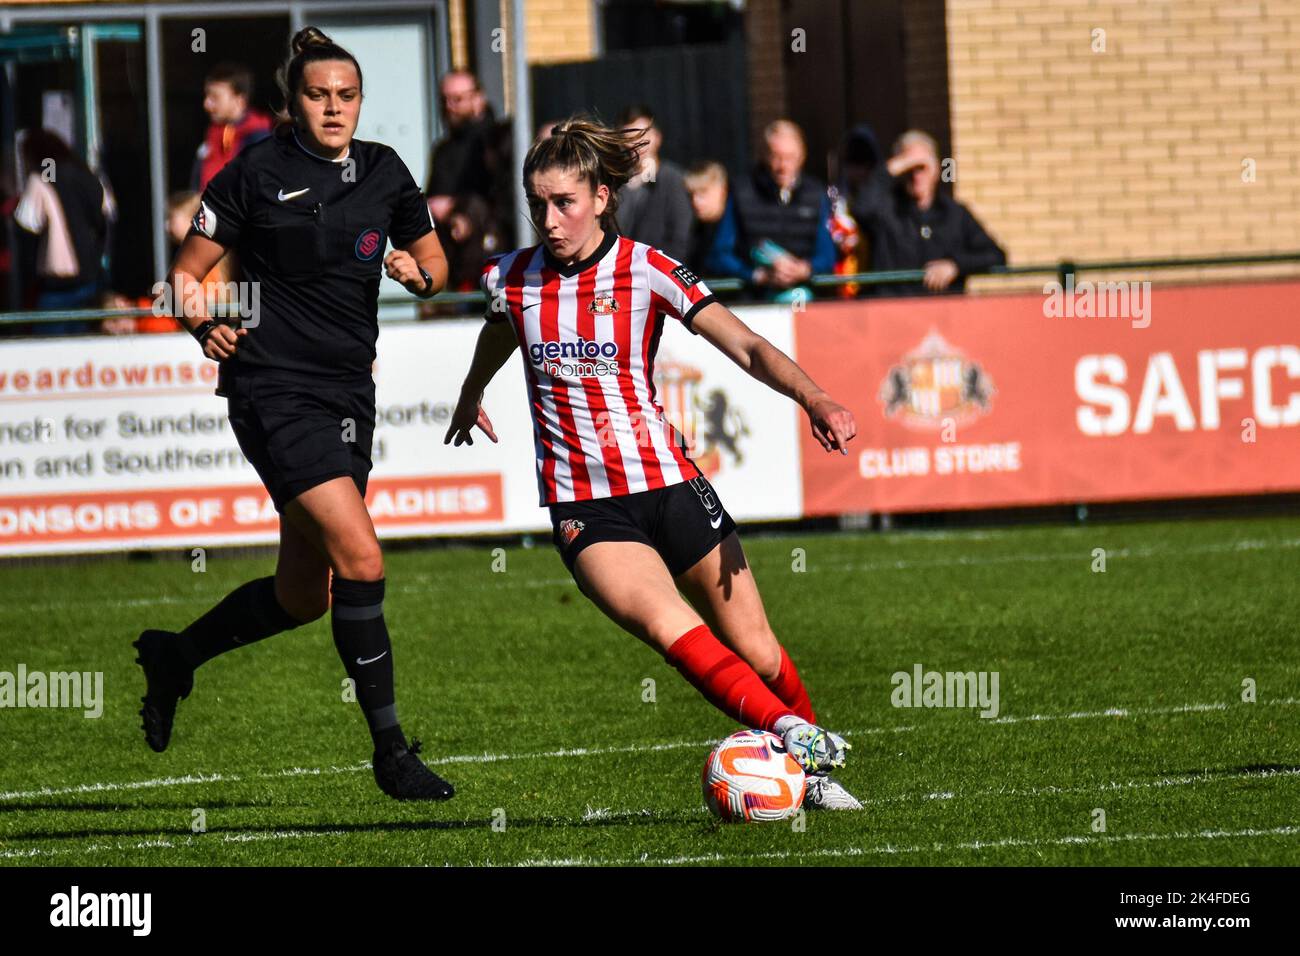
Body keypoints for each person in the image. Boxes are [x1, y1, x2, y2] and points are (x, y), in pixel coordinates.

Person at [444, 116, 863, 810]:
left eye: (565, 203)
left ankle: (810, 771)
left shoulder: (648, 268)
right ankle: (791, 731)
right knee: (673, 630)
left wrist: (812, 396)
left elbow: (748, 346)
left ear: (601, 197)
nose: (549, 220)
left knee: (758, 650)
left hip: (671, 485)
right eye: (538, 204)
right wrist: (470, 389)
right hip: (586, 508)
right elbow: (502, 332)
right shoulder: (508, 277)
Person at [135, 27, 455, 802]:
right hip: (271, 389)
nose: (335, 107)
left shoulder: (385, 170)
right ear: (291, 103)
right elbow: (179, 280)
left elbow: (438, 263)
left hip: (350, 394)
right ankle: (389, 753)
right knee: (363, 559)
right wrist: (201, 321)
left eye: (347, 95)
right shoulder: (252, 173)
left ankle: (176, 657)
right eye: (319, 95)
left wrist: (419, 275)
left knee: (303, 594)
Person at [850, 129, 1006, 297]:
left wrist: (955, 265)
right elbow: (861, 208)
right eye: (909, 168)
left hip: (944, 314)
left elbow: (995, 255)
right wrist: (894, 166)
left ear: (936, 169)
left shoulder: (954, 213)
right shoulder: (886, 209)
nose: (916, 176)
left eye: (922, 167)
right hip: (895, 313)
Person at [712, 119, 835, 301]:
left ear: (802, 157)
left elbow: (827, 254)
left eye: (790, 157)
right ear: (764, 155)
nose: (783, 166)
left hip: (806, 301)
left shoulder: (816, 194)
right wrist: (757, 275)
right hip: (754, 302)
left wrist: (804, 269)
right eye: (776, 157)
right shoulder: (741, 191)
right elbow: (720, 253)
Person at [14, 129, 116, 334]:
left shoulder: (44, 175)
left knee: (50, 348)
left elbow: (27, 223)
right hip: (93, 277)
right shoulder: (87, 174)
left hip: (57, 282)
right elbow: (109, 214)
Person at [613, 105, 693, 263]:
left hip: (660, 273)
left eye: (643, 134)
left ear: (657, 137)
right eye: (630, 137)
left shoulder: (672, 180)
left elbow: (681, 239)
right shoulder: (615, 183)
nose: (638, 143)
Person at [192, 62, 274, 191]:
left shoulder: (259, 139)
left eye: (215, 97)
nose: (207, 104)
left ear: (239, 99)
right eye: (207, 97)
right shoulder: (212, 136)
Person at [682, 160, 729, 277]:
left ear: (722, 191)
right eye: (691, 194)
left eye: (703, 192)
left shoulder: (738, 229)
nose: (695, 201)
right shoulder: (695, 230)